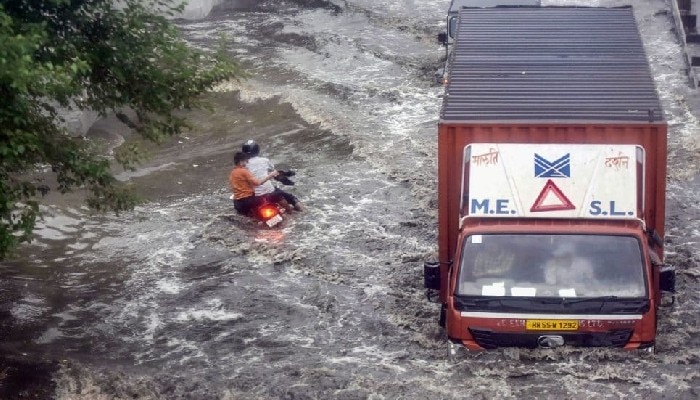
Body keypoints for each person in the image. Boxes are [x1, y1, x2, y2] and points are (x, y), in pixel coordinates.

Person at [242, 139, 303, 211]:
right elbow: (274, 171)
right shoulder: (265, 160)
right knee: (290, 198)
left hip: (256, 197)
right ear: (257, 150)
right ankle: (301, 210)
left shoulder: (243, 166)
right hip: (270, 192)